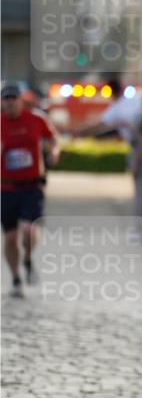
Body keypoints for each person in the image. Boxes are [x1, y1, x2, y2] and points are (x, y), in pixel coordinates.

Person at [1, 83, 60, 297]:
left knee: (28, 230)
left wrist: (54, 152)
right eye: (5, 99)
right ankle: (16, 277)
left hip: (32, 186)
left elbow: (53, 139)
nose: (9, 103)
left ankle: (27, 258)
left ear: (20, 100)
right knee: (9, 238)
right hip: (6, 187)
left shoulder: (35, 119)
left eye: (13, 98)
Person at [73, 78, 142, 217]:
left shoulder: (118, 108)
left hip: (137, 147)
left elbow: (99, 124)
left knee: (139, 188)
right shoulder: (137, 98)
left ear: (111, 92)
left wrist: (78, 131)